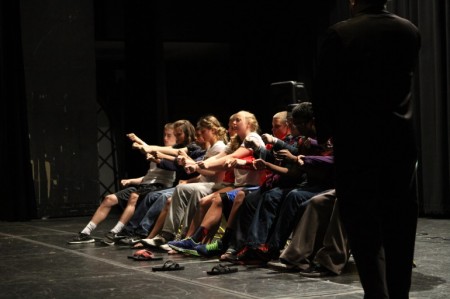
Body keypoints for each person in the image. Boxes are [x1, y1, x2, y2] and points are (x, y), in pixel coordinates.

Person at [312, 0, 421, 297]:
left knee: (363, 226)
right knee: (400, 224)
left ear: (354, 1)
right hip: (400, 142)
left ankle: (376, 294)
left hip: (358, 143)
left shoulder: (341, 33)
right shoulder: (409, 30)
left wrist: (325, 132)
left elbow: (324, 90)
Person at [67, 123, 177, 244]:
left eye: (169, 135)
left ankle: (115, 232)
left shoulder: (174, 153)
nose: (165, 138)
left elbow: (150, 150)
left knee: (133, 196)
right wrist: (131, 180)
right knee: (109, 199)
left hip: (158, 188)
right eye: (164, 135)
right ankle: (86, 233)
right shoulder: (158, 151)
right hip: (145, 186)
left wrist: (138, 140)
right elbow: (148, 177)